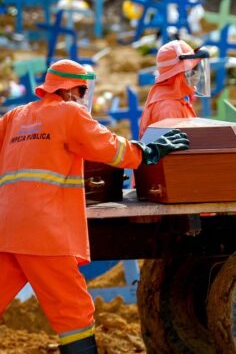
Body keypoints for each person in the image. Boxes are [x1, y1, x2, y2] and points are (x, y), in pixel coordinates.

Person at [0, 60, 189, 354]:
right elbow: (108, 146)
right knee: (73, 314)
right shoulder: (69, 112)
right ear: (72, 89)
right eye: (84, 92)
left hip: (6, 230)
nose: (84, 98)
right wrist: (149, 151)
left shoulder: (14, 117)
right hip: (44, 234)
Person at [139, 39, 210, 137]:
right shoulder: (168, 108)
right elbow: (173, 150)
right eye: (193, 70)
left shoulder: (176, 97)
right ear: (177, 75)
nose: (198, 75)